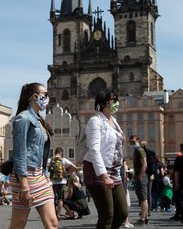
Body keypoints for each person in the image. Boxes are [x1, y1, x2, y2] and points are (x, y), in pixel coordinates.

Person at [8, 83, 57, 229]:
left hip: (40, 176)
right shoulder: (23, 119)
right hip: (25, 176)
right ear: (34, 96)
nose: (47, 98)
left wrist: (47, 176)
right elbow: (19, 153)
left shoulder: (39, 119)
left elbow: (43, 152)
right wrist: (24, 186)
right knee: (19, 223)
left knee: (53, 223)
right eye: (45, 94)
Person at [83, 89, 128, 229]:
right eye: (111, 99)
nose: (115, 102)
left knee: (122, 213)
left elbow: (117, 146)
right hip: (98, 171)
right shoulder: (95, 121)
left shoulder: (114, 121)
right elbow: (94, 149)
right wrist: (103, 175)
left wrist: (123, 164)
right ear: (102, 103)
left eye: (116, 99)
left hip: (114, 171)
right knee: (107, 214)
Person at [46, 147, 77, 218]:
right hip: (62, 181)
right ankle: (57, 215)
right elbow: (74, 167)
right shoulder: (63, 160)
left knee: (52, 198)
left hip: (52, 181)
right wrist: (67, 172)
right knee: (60, 199)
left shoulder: (50, 160)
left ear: (55, 152)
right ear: (61, 152)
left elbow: (44, 168)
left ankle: (52, 214)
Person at [132, 136, 149, 225]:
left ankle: (142, 219)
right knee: (142, 198)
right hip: (139, 176)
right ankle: (145, 218)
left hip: (142, 177)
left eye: (133, 142)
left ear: (138, 141)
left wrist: (140, 175)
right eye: (130, 142)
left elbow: (144, 164)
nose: (131, 144)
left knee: (143, 199)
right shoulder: (136, 150)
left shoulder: (139, 150)